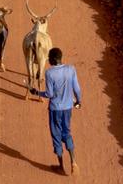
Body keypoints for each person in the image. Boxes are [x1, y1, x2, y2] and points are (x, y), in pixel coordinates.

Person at [28, 47, 82, 175]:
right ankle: (73, 162)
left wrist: (36, 92)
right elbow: (77, 89)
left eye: (49, 59)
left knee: (56, 136)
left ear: (52, 59)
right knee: (67, 132)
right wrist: (78, 101)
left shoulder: (49, 73)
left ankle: (61, 167)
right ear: (61, 58)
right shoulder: (71, 69)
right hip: (68, 108)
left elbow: (49, 94)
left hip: (55, 110)